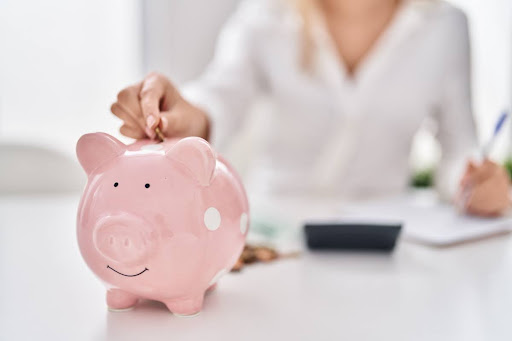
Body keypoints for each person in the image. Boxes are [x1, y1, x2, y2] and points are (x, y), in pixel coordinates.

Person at [111, 0, 510, 216]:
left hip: (385, 239)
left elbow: (460, 145)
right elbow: (221, 100)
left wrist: (475, 183)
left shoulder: (445, 26)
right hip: (276, 230)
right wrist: (180, 114)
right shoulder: (265, 15)